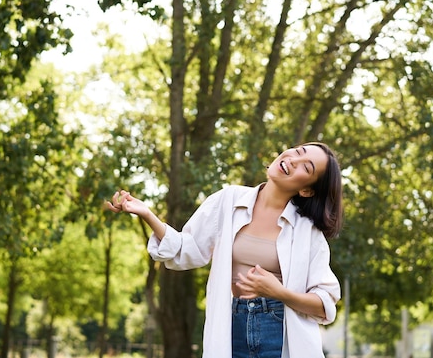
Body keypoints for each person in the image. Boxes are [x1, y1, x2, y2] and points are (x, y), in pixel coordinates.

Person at [106, 142, 343, 358]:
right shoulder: (228, 200)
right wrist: (147, 214)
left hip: (280, 332)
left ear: (307, 190)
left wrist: (279, 292)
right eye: (298, 152)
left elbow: (325, 304)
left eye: (306, 167)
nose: (293, 160)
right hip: (232, 326)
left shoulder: (308, 232)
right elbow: (185, 249)